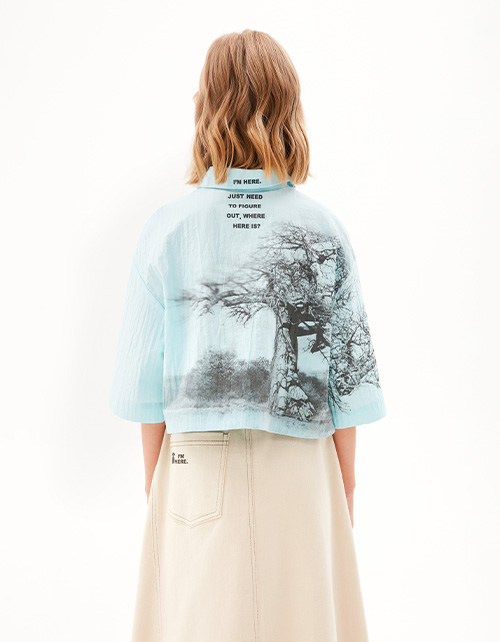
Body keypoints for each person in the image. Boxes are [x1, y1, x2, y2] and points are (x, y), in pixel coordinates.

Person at [109, 29, 386, 642]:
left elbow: (145, 390)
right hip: (302, 462)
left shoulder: (167, 229)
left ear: (206, 106)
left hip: (194, 460)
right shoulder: (322, 231)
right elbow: (346, 384)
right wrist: (343, 485)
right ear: (289, 107)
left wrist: (161, 484)